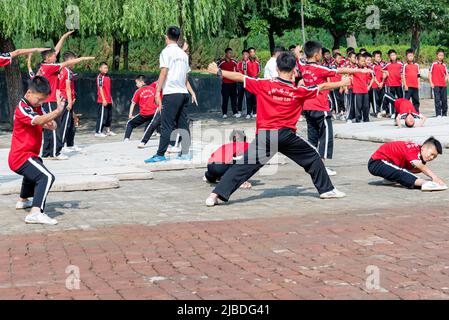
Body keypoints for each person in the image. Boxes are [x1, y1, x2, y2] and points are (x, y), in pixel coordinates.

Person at [204, 51, 353, 207]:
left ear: (276, 68)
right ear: (294, 70)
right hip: (286, 136)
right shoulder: (298, 91)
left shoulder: (264, 85)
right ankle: (327, 190)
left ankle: (214, 195)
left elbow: (240, 77)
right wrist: (342, 83)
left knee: (242, 167)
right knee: (313, 157)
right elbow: (322, 86)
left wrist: (218, 71)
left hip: (265, 136)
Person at [295, 41, 371, 176]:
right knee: (326, 136)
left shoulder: (303, 66)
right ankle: (321, 166)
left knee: (312, 138)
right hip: (320, 106)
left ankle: (312, 164)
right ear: (317, 55)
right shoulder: (320, 68)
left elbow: (298, 58)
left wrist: (297, 52)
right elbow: (340, 70)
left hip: (307, 107)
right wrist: (359, 70)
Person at [9, 76, 66, 225]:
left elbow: (47, 122)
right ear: (29, 93)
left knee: (36, 165)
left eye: (43, 100)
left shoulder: (36, 107)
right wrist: (58, 111)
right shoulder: (22, 107)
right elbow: (38, 120)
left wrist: (51, 122)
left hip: (29, 155)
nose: (41, 103)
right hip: (20, 157)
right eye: (39, 99)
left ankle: (23, 200)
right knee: (46, 177)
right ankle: (35, 213)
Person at [145, 26, 197, 163]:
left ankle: (160, 154)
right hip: (183, 93)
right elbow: (185, 76)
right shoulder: (183, 55)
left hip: (172, 93)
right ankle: (185, 153)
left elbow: (164, 72)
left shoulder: (166, 52)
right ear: (178, 38)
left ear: (166, 37)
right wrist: (190, 91)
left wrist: (157, 91)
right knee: (183, 124)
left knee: (166, 125)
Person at [39, 30, 94, 159]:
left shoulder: (44, 65)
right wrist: (83, 58)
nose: (55, 56)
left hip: (46, 101)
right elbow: (67, 63)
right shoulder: (50, 67)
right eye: (53, 56)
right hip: (50, 100)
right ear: (48, 58)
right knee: (53, 126)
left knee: (48, 126)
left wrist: (63, 36)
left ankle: (46, 153)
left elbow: (56, 50)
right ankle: (54, 153)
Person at [368, 137, 446, 191]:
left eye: (434, 157)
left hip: (387, 163)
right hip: (376, 162)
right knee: (403, 172)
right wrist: (434, 178)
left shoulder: (419, 154)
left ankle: (390, 178)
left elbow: (419, 168)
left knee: (416, 169)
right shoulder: (412, 149)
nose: (432, 158)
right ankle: (426, 184)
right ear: (424, 148)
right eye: (431, 154)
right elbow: (420, 166)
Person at [124, 75, 161, 146]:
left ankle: (126, 139)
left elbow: (133, 103)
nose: (136, 84)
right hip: (154, 113)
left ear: (142, 82)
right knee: (156, 123)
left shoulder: (138, 91)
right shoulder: (153, 89)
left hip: (144, 114)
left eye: (137, 83)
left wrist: (130, 114)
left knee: (130, 123)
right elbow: (157, 100)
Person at [58, 51, 82, 153]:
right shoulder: (66, 71)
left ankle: (70, 144)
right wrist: (70, 101)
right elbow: (66, 88)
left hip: (70, 99)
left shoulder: (69, 71)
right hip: (66, 101)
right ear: (69, 60)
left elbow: (71, 87)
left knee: (71, 124)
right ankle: (61, 146)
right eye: (74, 60)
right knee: (65, 124)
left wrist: (73, 97)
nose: (75, 62)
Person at [95, 62, 116, 137]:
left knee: (108, 117)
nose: (106, 69)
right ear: (100, 69)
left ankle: (108, 131)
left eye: (106, 68)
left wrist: (110, 99)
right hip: (102, 100)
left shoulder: (108, 77)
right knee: (102, 117)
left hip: (109, 100)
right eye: (104, 68)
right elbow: (100, 89)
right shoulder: (100, 77)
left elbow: (108, 90)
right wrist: (103, 99)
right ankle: (98, 132)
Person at [381, 49, 403, 116]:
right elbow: (381, 69)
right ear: (389, 57)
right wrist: (385, 72)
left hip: (398, 84)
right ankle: (392, 113)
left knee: (400, 98)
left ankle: (401, 112)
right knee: (391, 98)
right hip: (390, 84)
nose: (393, 57)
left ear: (396, 55)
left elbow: (403, 70)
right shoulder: (387, 64)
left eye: (394, 55)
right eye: (391, 55)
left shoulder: (400, 63)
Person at [352, 53, 373, 123]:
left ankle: (366, 119)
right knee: (358, 106)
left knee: (366, 106)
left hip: (365, 90)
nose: (364, 62)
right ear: (357, 61)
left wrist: (369, 86)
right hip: (357, 91)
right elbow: (346, 75)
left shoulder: (366, 69)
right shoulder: (354, 69)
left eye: (364, 61)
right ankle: (358, 120)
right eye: (362, 61)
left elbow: (371, 78)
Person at [218, 48, 238, 118]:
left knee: (234, 99)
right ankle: (224, 113)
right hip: (225, 84)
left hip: (233, 83)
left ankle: (235, 112)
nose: (230, 54)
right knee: (225, 99)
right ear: (226, 54)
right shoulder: (222, 62)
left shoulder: (234, 62)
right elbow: (217, 70)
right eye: (229, 53)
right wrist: (220, 76)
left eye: (231, 53)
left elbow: (238, 69)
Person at [429, 48, 448, 117]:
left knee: (444, 100)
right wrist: (431, 82)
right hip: (436, 85)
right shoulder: (433, 64)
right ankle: (438, 114)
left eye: (442, 55)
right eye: (439, 55)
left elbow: (447, 74)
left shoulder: (444, 65)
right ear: (437, 55)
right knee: (437, 100)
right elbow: (430, 74)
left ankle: (444, 113)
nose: (441, 57)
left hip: (443, 85)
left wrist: (445, 80)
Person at [402, 48, 421, 113]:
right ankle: (405, 113)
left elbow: (418, 75)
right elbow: (403, 76)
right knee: (406, 100)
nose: (410, 57)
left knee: (416, 100)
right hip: (408, 87)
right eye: (409, 56)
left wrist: (419, 84)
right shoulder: (405, 65)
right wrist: (405, 85)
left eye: (412, 56)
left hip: (415, 86)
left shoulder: (417, 65)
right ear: (406, 57)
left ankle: (416, 112)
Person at [245, 47, 260, 119]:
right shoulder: (246, 62)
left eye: (253, 52)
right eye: (251, 52)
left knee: (255, 99)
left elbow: (259, 72)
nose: (252, 53)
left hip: (255, 83)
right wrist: (250, 78)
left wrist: (255, 78)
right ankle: (248, 113)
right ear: (249, 53)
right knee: (248, 98)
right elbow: (245, 73)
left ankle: (254, 112)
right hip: (248, 83)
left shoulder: (257, 62)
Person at [371, 50, 386, 118]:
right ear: (373, 57)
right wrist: (378, 83)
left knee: (381, 98)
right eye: (377, 56)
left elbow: (384, 73)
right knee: (375, 99)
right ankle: (376, 112)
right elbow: (373, 76)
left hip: (381, 84)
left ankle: (381, 110)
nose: (379, 58)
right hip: (375, 85)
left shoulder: (382, 65)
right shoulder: (372, 66)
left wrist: (382, 82)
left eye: (379, 56)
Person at [236, 49, 250, 116]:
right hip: (240, 82)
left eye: (246, 54)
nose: (245, 56)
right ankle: (239, 111)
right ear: (242, 55)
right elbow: (238, 72)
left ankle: (249, 112)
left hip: (248, 82)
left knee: (248, 97)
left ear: (248, 55)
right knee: (240, 97)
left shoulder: (251, 63)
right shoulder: (239, 63)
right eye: (244, 54)